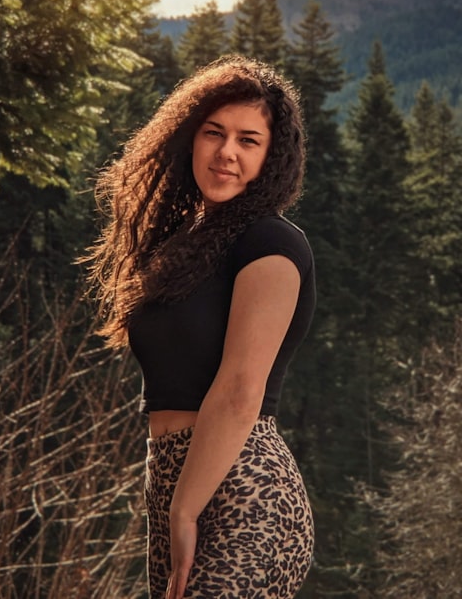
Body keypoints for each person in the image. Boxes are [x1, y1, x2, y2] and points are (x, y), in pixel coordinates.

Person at [86, 55, 316, 598]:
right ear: (189, 136)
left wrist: (185, 507)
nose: (227, 152)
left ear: (271, 158)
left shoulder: (272, 245)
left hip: (245, 487)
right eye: (214, 132)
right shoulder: (183, 244)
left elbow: (240, 392)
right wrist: (174, 502)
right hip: (170, 480)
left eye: (248, 140)